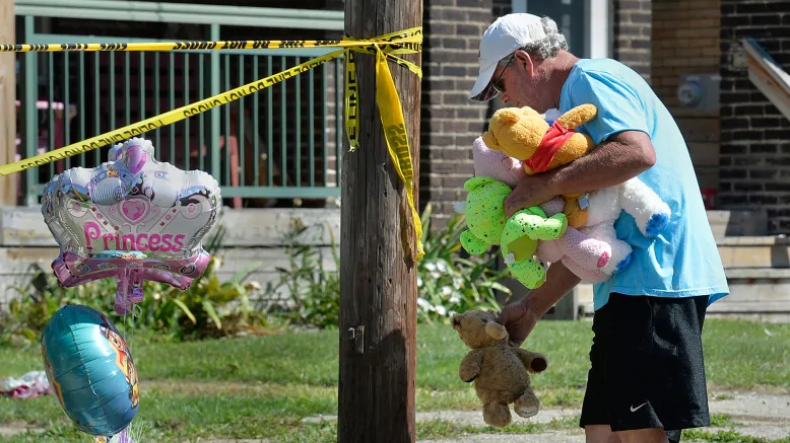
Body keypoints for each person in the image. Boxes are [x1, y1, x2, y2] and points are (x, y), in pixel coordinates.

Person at [468, 13, 730, 443]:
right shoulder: (570, 109)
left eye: (499, 84)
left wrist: (544, 185)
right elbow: (591, 239)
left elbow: (637, 153)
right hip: (629, 285)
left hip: (655, 281)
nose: (504, 99)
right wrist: (532, 307)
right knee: (602, 434)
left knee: (640, 435)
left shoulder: (591, 78)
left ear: (524, 62)